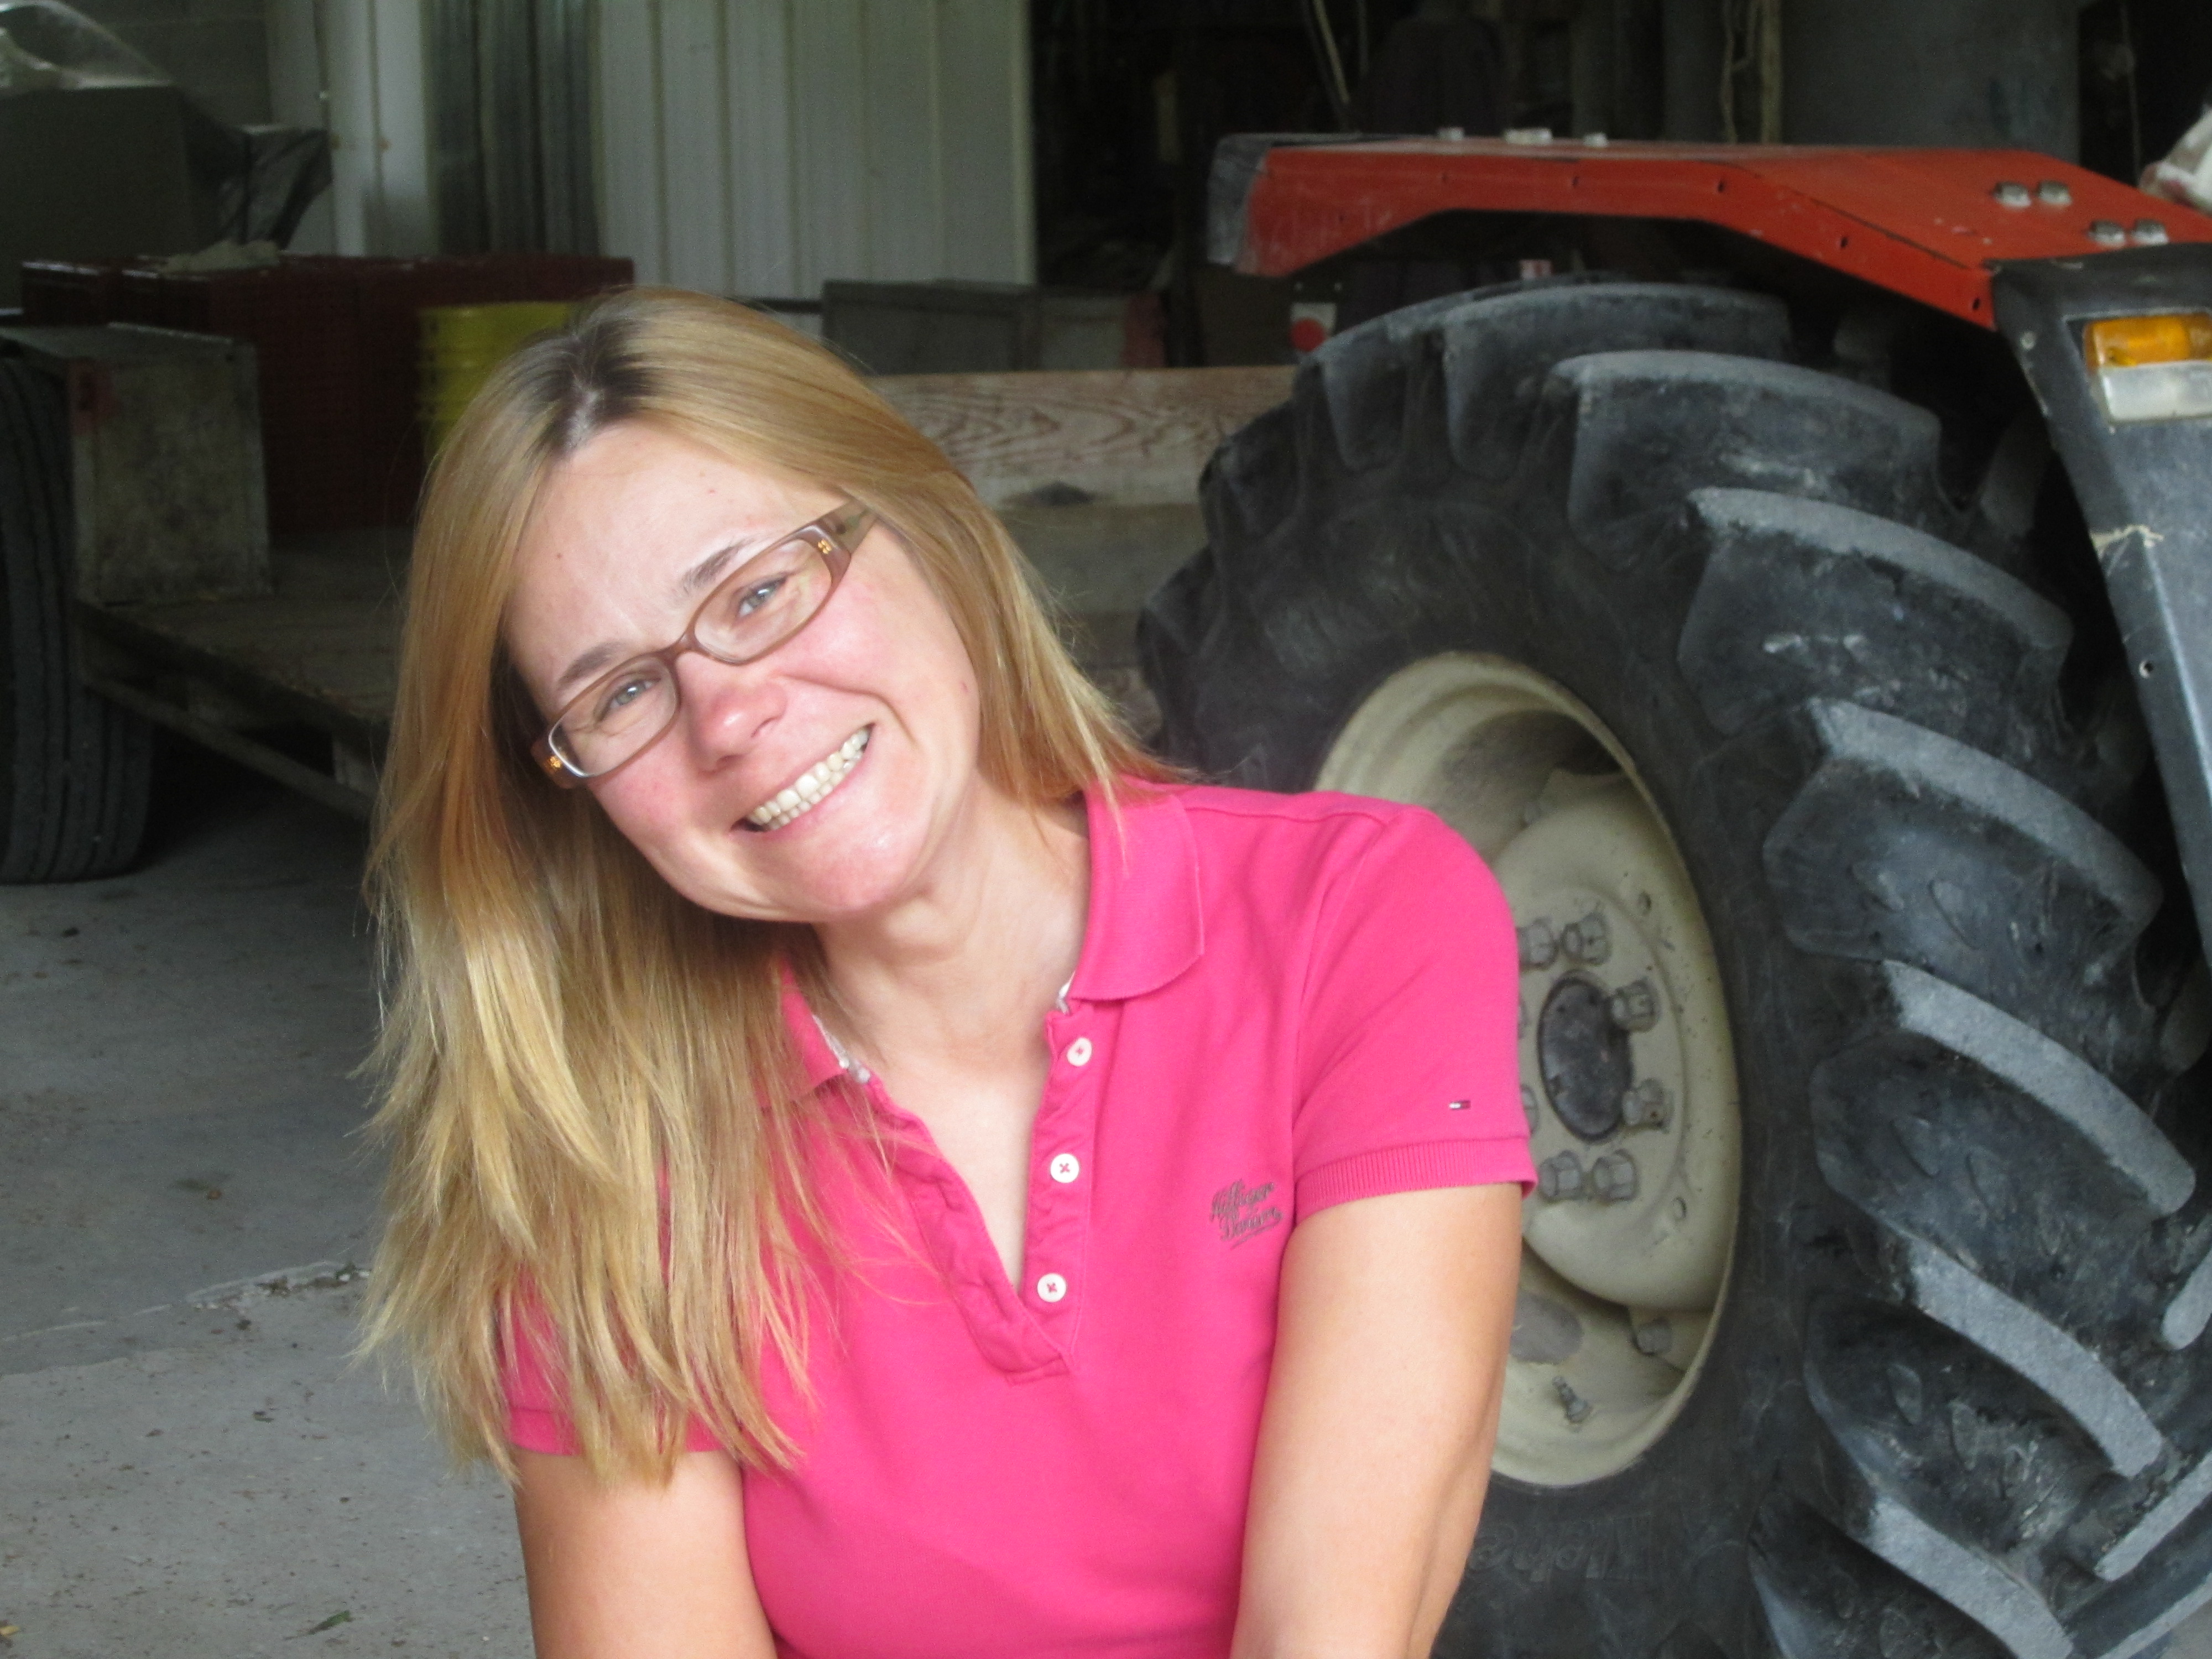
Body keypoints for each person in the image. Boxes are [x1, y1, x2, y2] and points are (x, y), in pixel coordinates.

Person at [364, 286, 1532, 1659]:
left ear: (923, 527)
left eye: (757, 592)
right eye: (619, 693)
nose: (727, 717)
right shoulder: (604, 1153)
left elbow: (1329, 1635)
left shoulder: (1356, 916)